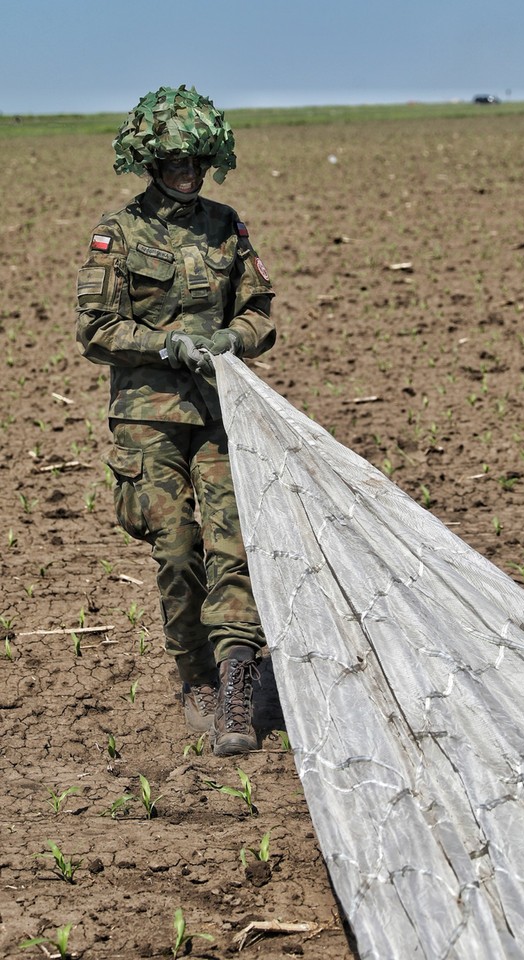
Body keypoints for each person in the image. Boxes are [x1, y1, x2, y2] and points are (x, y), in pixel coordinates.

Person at [75, 85, 276, 756]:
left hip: (221, 413)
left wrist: (232, 340)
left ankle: (237, 685)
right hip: (147, 416)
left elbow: (259, 315)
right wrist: (164, 344)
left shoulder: (227, 225)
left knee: (232, 547)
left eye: (195, 160)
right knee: (176, 548)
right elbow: (96, 327)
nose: (186, 171)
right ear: (151, 162)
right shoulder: (121, 229)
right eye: (173, 161)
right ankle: (195, 680)